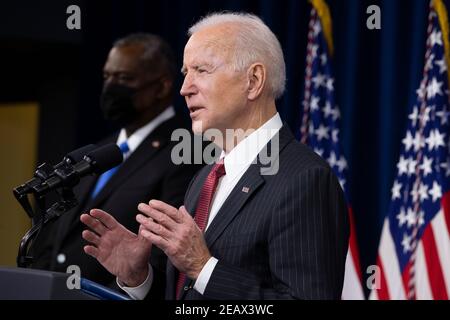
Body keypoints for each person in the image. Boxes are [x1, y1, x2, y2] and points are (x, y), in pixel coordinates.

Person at [81, 13, 349, 300]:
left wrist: (203, 266)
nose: (185, 89)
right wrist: (140, 278)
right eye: (186, 73)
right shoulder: (204, 178)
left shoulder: (304, 179)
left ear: (254, 80)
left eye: (202, 70)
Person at [31, 33, 201, 299]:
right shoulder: (97, 151)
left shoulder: (185, 150)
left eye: (124, 79)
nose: (111, 87)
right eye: (107, 77)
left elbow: (164, 256)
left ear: (162, 86)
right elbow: (56, 238)